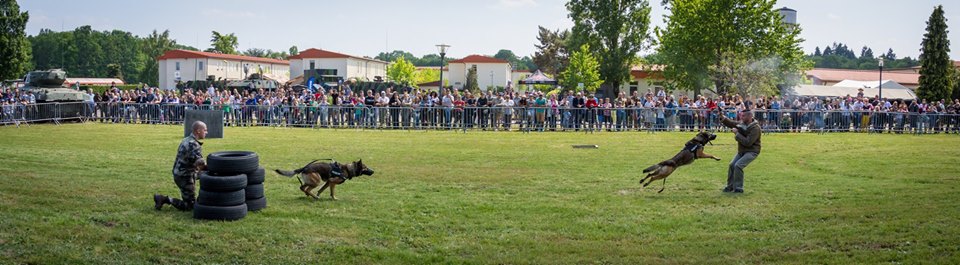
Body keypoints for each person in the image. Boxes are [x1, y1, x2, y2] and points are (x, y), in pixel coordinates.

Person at [154, 121, 208, 210]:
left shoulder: (187, 139)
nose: (206, 132)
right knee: (190, 206)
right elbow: (201, 165)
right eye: (205, 130)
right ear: (198, 131)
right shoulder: (193, 144)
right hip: (185, 176)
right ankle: (164, 199)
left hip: (181, 172)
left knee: (206, 174)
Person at [719, 109, 761, 193]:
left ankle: (738, 188)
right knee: (732, 165)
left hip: (752, 151)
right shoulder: (742, 124)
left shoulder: (755, 128)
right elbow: (731, 123)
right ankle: (730, 186)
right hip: (742, 151)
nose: (741, 117)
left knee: (738, 165)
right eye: (741, 115)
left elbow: (748, 142)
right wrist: (721, 116)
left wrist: (737, 134)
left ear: (749, 116)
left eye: (743, 116)